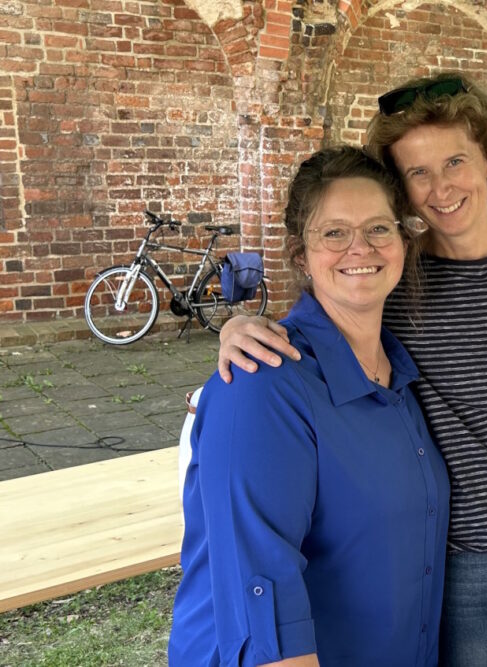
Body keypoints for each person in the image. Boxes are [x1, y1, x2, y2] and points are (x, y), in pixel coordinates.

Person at [218, 73, 487, 667]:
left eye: (455, 161)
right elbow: (326, 314)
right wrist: (239, 329)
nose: (441, 187)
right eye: (417, 172)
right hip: (465, 558)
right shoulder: (396, 274)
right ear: (401, 190)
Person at [169, 146, 449, 667]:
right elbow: (263, 601)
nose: (359, 247)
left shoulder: (402, 376)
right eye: (334, 233)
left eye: (378, 229)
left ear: (404, 242)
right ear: (301, 254)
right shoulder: (261, 384)